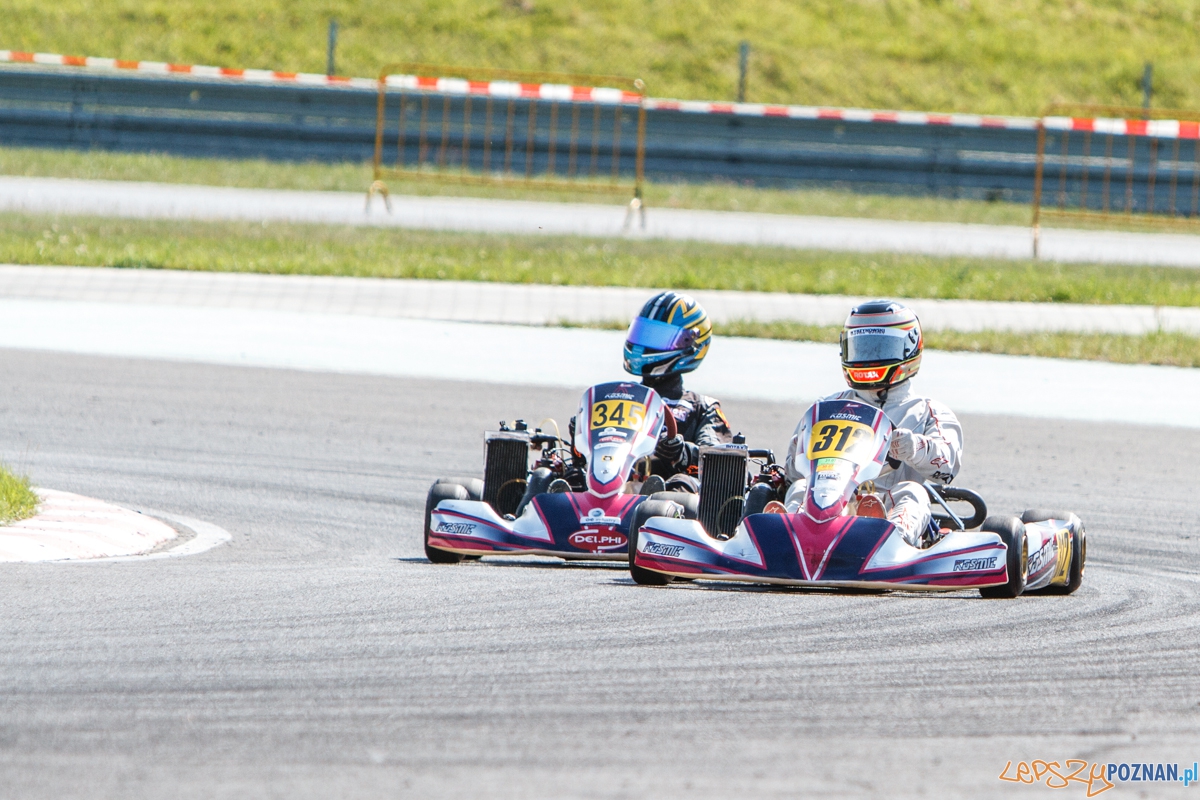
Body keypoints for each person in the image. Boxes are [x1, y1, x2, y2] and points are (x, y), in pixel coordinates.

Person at [783, 300, 963, 547]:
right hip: (829, 502)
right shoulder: (826, 407)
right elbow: (793, 476)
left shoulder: (927, 412)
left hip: (889, 506)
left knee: (913, 492)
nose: (868, 360)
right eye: (862, 349)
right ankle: (788, 542)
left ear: (908, 349)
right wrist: (799, 451)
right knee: (802, 487)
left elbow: (948, 467)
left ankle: (892, 544)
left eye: (879, 349)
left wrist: (916, 447)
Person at [620, 290, 732, 492]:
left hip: (668, 498)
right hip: (614, 479)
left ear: (691, 345)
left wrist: (681, 451)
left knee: (683, 483)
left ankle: (655, 499)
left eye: (657, 338)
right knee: (565, 474)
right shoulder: (620, 396)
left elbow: (719, 462)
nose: (645, 346)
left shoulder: (703, 407)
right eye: (643, 334)